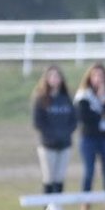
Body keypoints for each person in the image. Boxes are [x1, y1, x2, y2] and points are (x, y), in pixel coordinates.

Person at [31, 65, 77, 194]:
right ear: (46, 79)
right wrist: (52, 135)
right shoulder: (40, 98)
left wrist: (65, 133)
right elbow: (38, 122)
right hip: (48, 145)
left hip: (65, 144)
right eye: (51, 76)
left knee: (60, 178)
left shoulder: (66, 98)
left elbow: (73, 120)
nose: (55, 79)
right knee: (49, 178)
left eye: (57, 76)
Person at [74, 62, 105, 197]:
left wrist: (102, 99)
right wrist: (102, 109)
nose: (99, 78)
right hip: (89, 137)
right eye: (95, 75)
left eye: (101, 75)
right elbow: (84, 117)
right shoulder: (83, 96)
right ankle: (85, 204)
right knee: (89, 172)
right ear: (90, 77)